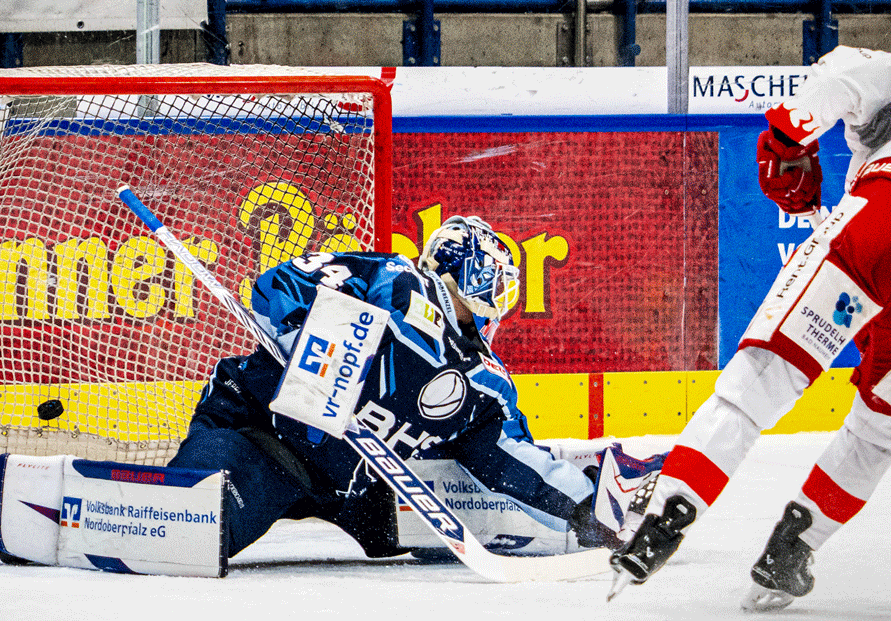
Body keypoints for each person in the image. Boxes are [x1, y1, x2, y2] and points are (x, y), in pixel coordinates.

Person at [608, 46, 891, 611]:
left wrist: (789, 139)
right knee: (881, 431)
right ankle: (791, 553)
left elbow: (840, 71)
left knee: (764, 375)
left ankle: (667, 514)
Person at [167, 215, 665, 561]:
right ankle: (158, 497)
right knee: (196, 530)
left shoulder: (486, 384)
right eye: (495, 281)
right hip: (266, 438)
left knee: (415, 532)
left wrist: (584, 509)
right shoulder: (395, 281)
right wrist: (305, 331)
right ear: (465, 270)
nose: (500, 300)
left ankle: (608, 487)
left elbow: (510, 460)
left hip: (351, 486)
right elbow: (281, 283)